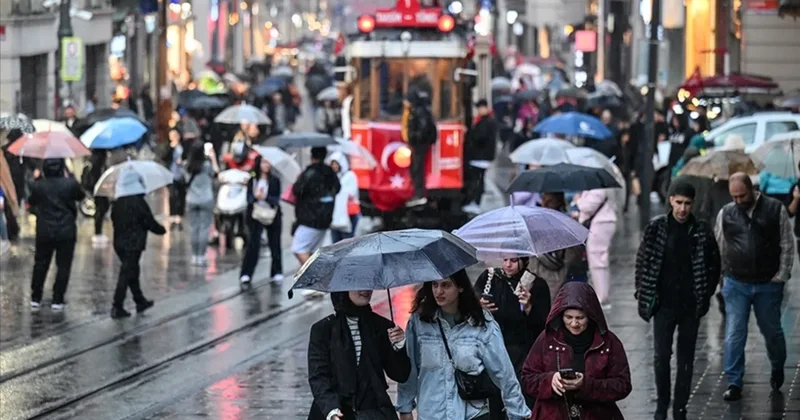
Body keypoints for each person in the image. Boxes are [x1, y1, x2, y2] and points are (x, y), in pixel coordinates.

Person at [635, 180, 720, 420]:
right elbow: (642, 261)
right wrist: (642, 291)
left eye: (688, 204)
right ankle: (662, 405)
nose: (683, 209)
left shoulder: (701, 230)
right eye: (679, 202)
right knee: (661, 357)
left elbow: (714, 264)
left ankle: (680, 406)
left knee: (686, 359)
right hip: (663, 304)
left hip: (690, 305)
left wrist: (706, 292)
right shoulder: (656, 228)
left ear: (693, 204)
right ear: (671, 199)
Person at [397, 270, 532, 420]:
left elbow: (504, 373)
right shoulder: (419, 322)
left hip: (472, 413)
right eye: (434, 285)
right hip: (432, 412)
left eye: (446, 285)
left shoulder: (482, 323)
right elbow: (410, 369)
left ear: (460, 287)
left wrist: (517, 412)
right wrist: (405, 407)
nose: (438, 291)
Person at [715, 172, 793, 401]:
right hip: (736, 282)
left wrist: (782, 275)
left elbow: (787, 243)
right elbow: (719, 246)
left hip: (768, 283)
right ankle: (734, 381)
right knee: (734, 333)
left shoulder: (774, 209)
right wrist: (720, 278)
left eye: (742, 195)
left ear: (752, 189)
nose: (738, 201)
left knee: (772, 332)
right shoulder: (726, 213)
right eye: (734, 197)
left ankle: (777, 366)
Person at [521, 282, 632, 419]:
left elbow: (623, 385)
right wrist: (550, 381)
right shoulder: (546, 339)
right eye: (568, 317)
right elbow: (527, 378)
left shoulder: (608, 342)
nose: (574, 324)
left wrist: (586, 385)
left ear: (590, 316)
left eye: (580, 318)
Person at [307, 291, 411, 419]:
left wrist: (399, 345)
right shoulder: (323, 329)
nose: (366, 290)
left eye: (368, 284)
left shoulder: (381, 326)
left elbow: (400, 374)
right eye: (358, 285)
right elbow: (318, 376)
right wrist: (331, 411)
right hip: (335, 413)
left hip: (374, 413)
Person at [474, 257, 551, 419]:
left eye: (514, 260)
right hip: (493, 352)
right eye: (505, 259)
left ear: (524, 261)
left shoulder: (537, 285)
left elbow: (544, 327)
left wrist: (529, 307)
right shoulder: (489, 278)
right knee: (496, 403)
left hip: (523, 354)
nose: (508, 265)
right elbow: (470, 315)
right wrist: (478, 307)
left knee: (522, 401)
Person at [27, 159, 85, 311]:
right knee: (63, 266)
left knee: (40, 264)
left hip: (45, 231)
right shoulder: (70, 184)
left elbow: (31, 201)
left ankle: (36, 297)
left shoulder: (39, 185)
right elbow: (81, 195)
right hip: (66, 231)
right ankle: (57, 299)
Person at [110, 170, 167, 318]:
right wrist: (161, 229)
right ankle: (117, 305)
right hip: (134, 244)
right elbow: (148, 221)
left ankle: (139, 300)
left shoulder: (118, 203)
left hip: (119, 243)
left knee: (131, 271)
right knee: (127, 272)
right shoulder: (139, 202)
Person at [291, 147, 340, 265]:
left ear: (312, 156)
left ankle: (314, 277)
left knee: (298, 248)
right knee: (311, 251)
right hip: (325, 217)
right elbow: (337, 188)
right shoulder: (330, 172)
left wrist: (299, 180)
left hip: (309, 218)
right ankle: (311, 279)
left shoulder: (310, 173)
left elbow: (297, 190)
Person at [239, 155, 283, 284]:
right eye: (264, 162)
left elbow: (276, 200)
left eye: (269, 163)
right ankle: (246, 273)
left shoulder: (275, 180)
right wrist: (255, 197)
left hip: (272, 215)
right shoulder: (252, 179)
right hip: (255, 215)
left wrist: (265, 197)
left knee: (275, 244)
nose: (266, 165)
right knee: (253, 244)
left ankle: (277, 271)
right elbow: (248, 199)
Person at [575, 188, 618, 309]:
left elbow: (588, 206)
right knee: (599, 260)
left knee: (598, 261)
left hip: (600, 224)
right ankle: (601, 295)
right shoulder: (601, 185)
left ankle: (601, 297)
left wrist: (578, 200)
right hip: (602, 222)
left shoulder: (598, 187)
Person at [184, 141, 220, 265]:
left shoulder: (187, 166)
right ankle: (202, 255)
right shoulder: (207, 165)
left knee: (194, 228)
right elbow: (216, 173)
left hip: (191, 199)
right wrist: (213, 158)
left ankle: (195, 255)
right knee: (204, 228)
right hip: (206, 198)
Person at [402, 90, 437, 207]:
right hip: (417, 144)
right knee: (415, 168)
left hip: (419, 144)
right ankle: (418, 193)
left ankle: (420, 194)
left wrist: (413, 137)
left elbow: (422, 129)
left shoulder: (419, 112)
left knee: (418, 168)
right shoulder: (416, 111)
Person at [463, 99, 498, 214]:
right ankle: (476, 202)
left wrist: (470, 133)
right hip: (482, 157)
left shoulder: (486, 122)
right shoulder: (488, 120)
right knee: (479, 179)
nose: (478, 110)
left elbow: (480, 137)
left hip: (480, 156)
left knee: (478, 179)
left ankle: (476, 202)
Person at [327, 152, 360, 243]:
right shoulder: (331, 177)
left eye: (336, 163)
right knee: (335, 244)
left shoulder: (350, 176)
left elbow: (352, 192)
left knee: (348, 243)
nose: (334, 166)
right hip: (335, 215)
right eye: (332, 164)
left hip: (349, 214)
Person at [166, 128, 186, 230]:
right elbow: (164, 157)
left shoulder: (183, 147)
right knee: (172, 197)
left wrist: (182, 162)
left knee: (181, 197)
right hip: (171, 174)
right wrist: (171, 148)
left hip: (181, 174)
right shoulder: (168, 147)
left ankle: (179, 218)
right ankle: (172, 218)